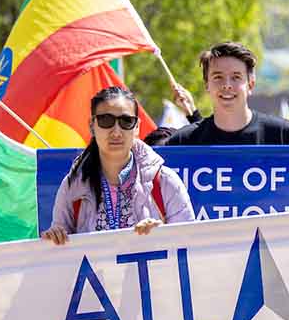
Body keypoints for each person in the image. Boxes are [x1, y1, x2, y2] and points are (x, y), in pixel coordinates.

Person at [42, 86, 194, 245]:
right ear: (92, 125)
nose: (116, 132)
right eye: (106, 120)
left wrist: (163, 235)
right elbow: (60, 257)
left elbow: (191, 247)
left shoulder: (165, 182)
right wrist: (55, 237)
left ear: (137, 127)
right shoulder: (72, 186)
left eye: (126, 121)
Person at [166, 41, 289, 154]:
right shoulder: (181, 144)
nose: (227, 85)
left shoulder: (283, 135)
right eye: (218, 77)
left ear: (251, 84)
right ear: (207, 85)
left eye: (236, 77)